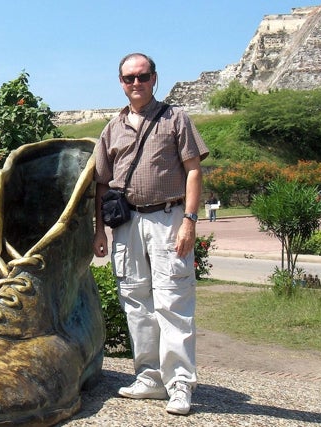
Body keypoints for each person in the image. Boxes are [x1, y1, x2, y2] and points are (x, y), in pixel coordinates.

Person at [93, 52, 209, 416]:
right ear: (121, 82)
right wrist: (100, 230)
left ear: (154, 78)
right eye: (129, 78)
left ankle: (179, 384)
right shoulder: (112, 128)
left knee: (173, 301)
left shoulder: (176, 119)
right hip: (127, 224)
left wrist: (190, 220)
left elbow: (193, 171)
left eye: (142, 76)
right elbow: (100, 184)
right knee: (135, 300)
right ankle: (149, 377)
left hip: (168, 218)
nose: (136, 83)